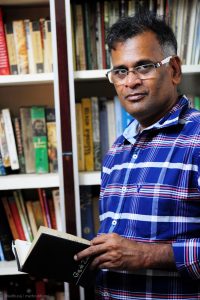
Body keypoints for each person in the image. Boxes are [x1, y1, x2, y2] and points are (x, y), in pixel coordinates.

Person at [75, 11, 200, 299]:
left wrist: (147, 255)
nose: (130, 82)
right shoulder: (116, 152)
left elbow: (136, 254)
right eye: (120, 70)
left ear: (174, 71)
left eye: (144, 67)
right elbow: (117, 252)